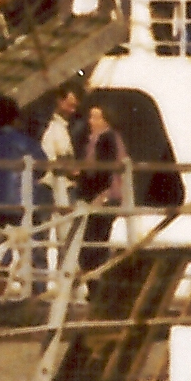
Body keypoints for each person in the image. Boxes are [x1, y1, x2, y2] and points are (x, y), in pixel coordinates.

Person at [0, 94, 52, 288]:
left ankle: (0, 286)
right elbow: (43, 165)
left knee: (2, 248)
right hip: (23, 203)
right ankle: (37, 289)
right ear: (15, 118)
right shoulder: (24, 141)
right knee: (35, 246)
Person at [69, 98, 131, 273]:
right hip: (103, 195)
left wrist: (95, 193)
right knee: (94, 241)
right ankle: (93, 279)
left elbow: (105, 170)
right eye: (90, 117)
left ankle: (94, 279)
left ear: (106, 121)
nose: (91, 121)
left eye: (96, 118)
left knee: (93, 242)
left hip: (104, 196)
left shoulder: (107, 139)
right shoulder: (99, 139)